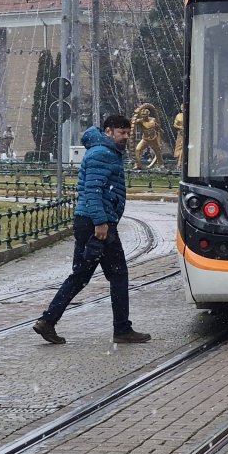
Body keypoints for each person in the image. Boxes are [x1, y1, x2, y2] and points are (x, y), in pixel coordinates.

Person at [34, 115, 151, 345]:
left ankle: (47, 321)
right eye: (121, 133)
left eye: (128, 133)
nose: (126, 137)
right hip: (98, 223)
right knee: (118, 275)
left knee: (80, 276)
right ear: (108, 131)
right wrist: (101, 223)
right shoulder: (102, 154)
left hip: (89, 221)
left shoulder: (103, 151)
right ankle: (122, 329)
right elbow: (93, 191)